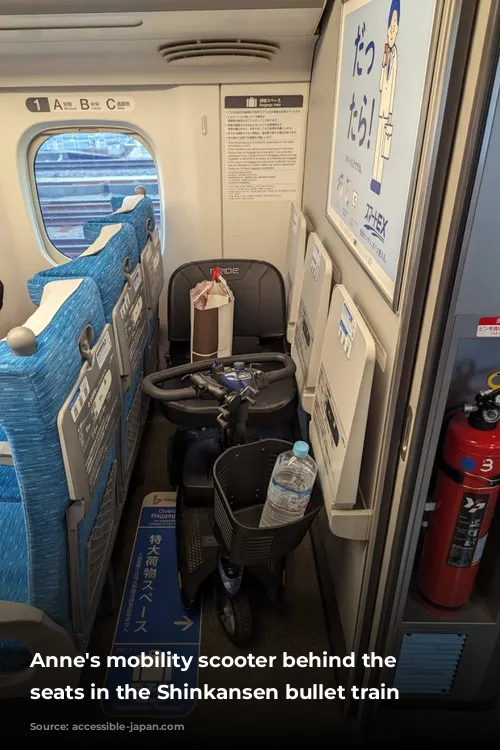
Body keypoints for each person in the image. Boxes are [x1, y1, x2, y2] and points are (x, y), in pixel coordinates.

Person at [370, 0, 400, 196]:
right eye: (390, 25)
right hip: (380, 110)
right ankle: (375, 180)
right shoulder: (388, 54)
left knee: (383, 149)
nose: (391, 31)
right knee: (377, 151)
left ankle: (378, 182)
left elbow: (392, 82)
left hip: (386, 112)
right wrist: (383, 62)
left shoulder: (395, 54)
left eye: (394, 27)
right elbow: (381, 84)